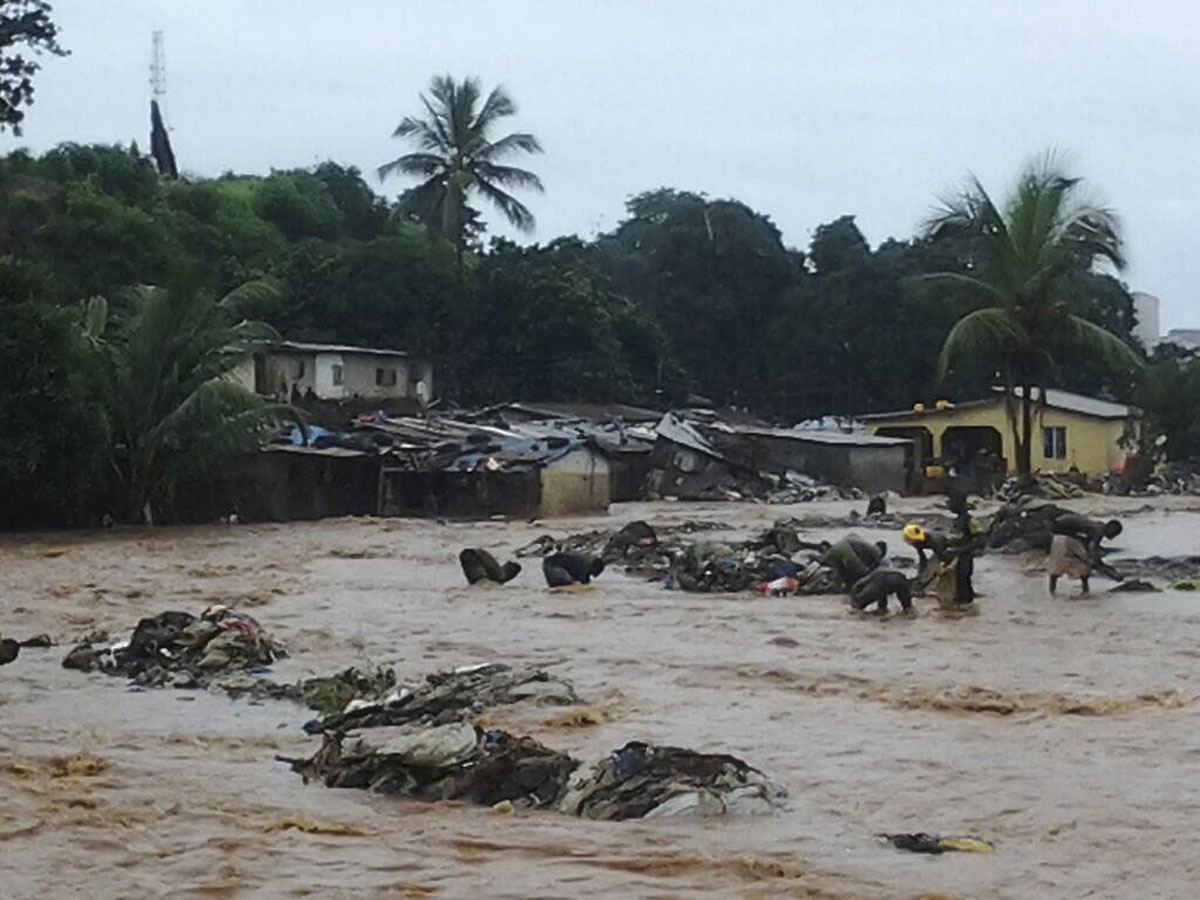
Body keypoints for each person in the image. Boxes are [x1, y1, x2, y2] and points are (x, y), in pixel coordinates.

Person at [1047, 515, 1123, 594]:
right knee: (1085, 562)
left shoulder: (1097, 526)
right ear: (1110, 528)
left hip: (1061, 532)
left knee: (1059, 564)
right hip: (1062, 534)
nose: (1112, 537)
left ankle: (1052, 591)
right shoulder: (1098, 530)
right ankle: (1085, 590)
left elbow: (1088, 543)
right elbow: (1093, 549)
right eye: (1114, 534)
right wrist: (1105, 568)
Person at [821, 534, 887, 590]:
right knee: (862, 573)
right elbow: (880, 567)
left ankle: (837, 586)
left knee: (841, 573)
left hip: (835, 548)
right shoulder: (876, 550)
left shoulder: (864, 544)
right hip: (845, 549)